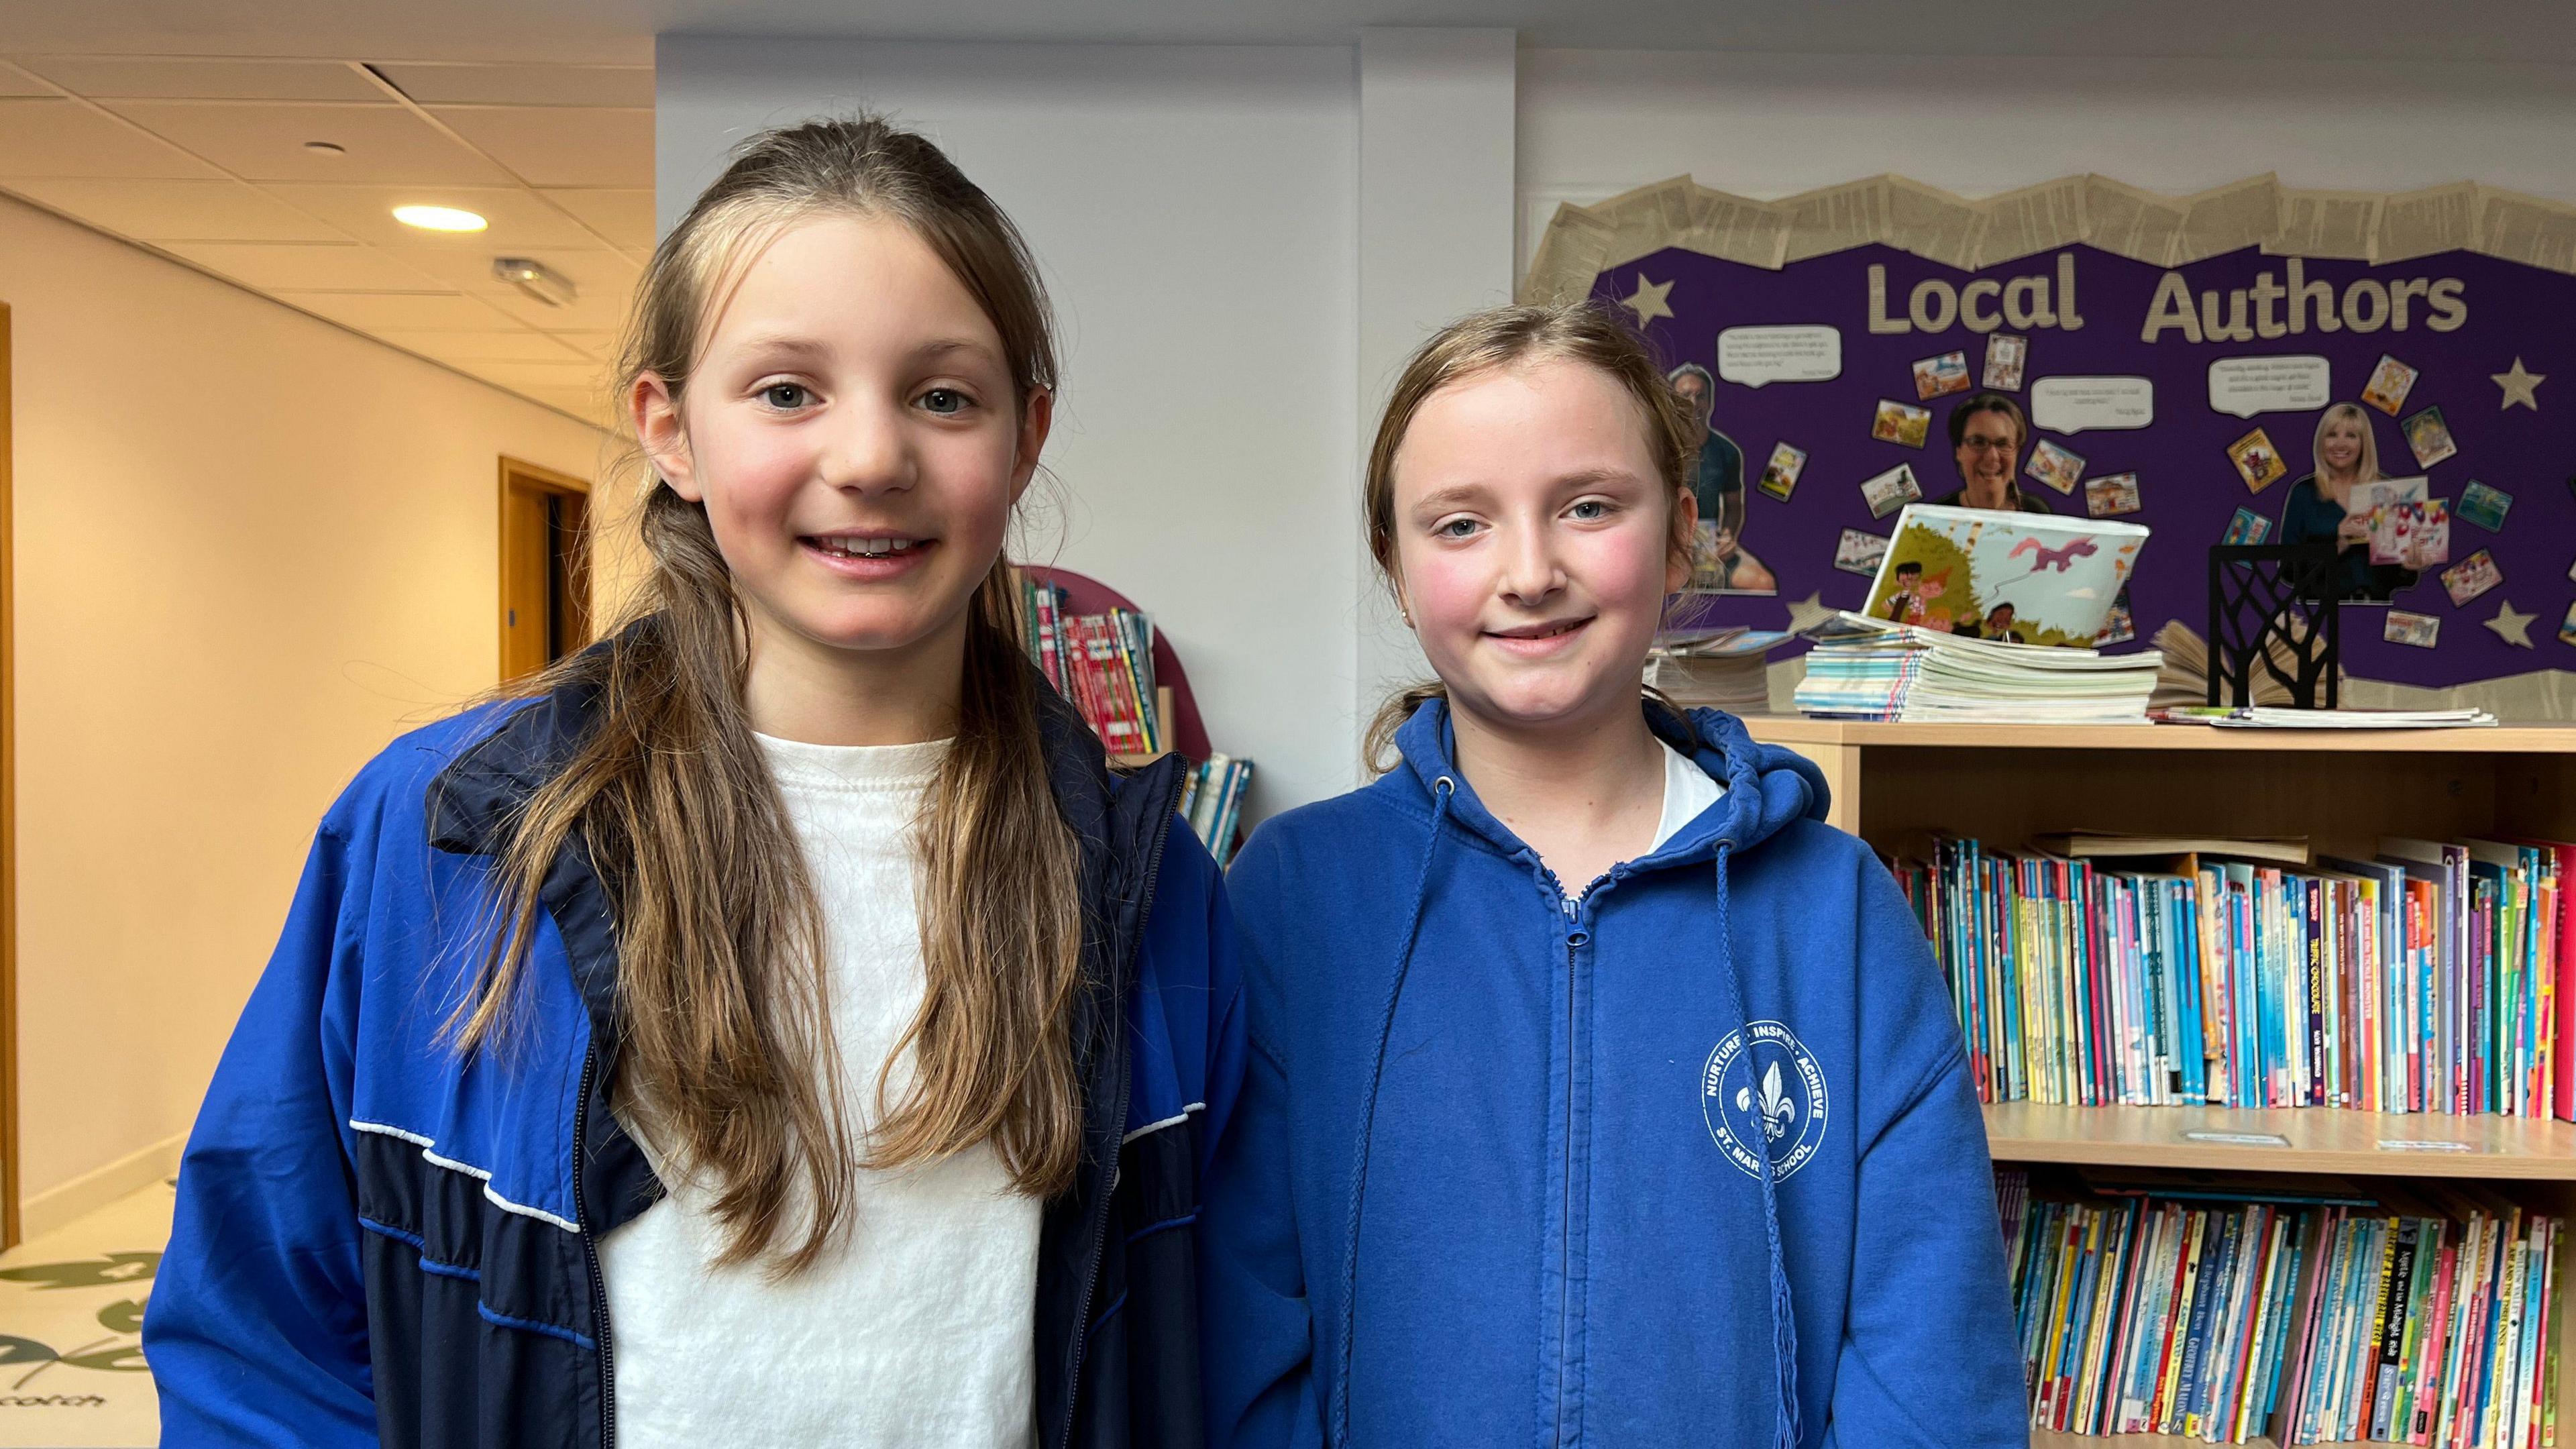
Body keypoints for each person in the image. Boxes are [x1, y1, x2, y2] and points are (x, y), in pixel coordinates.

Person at [145, 117, 1241, 1449]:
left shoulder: (1143, 878)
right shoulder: (447, 841)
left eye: (943, 395)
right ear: (672, 430)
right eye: (788, 392)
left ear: (1024, 437)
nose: (870, 456)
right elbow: (260, 1337)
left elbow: (1230, 1353)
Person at [1199, 303, 2023, 1448]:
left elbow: (1933, 1371)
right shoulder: (1293, 897)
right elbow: (1236, 1340)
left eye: (1588, 508)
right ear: (1396, 567)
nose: (1530, 572)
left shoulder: (1835, 912)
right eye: (1460, 524)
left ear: (1683, 535)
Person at [2278, 401, 2416, 602]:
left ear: (2364, 444)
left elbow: (2400, 580)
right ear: (2321, 442)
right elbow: (2287, 572)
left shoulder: (2386, 491)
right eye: (2332, 435)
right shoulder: (2303, 493)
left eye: (2351, 436)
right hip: (2318, 614)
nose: (2340, 444)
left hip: (2374, 610)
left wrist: (2408, 566)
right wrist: (2338, 545)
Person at [1668, 362, 1776, 592]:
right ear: (1673, 402)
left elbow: (1734, 506)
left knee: (1762, 583)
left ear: (1710, 402)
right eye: (1685, 395)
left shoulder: (1727, 452)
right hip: (1665, 550)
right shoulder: (1658, 449)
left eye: (1701, 396)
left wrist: (1728, 537)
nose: (1693, 403)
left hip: (1708, 550)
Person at [1933, 392, 2052, 513]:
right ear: (1958, 451)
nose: (1992, 456)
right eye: (1978, 442)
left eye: (2003, 444)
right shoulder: (1937, 517)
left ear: (2017, 452)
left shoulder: (2038, 513)